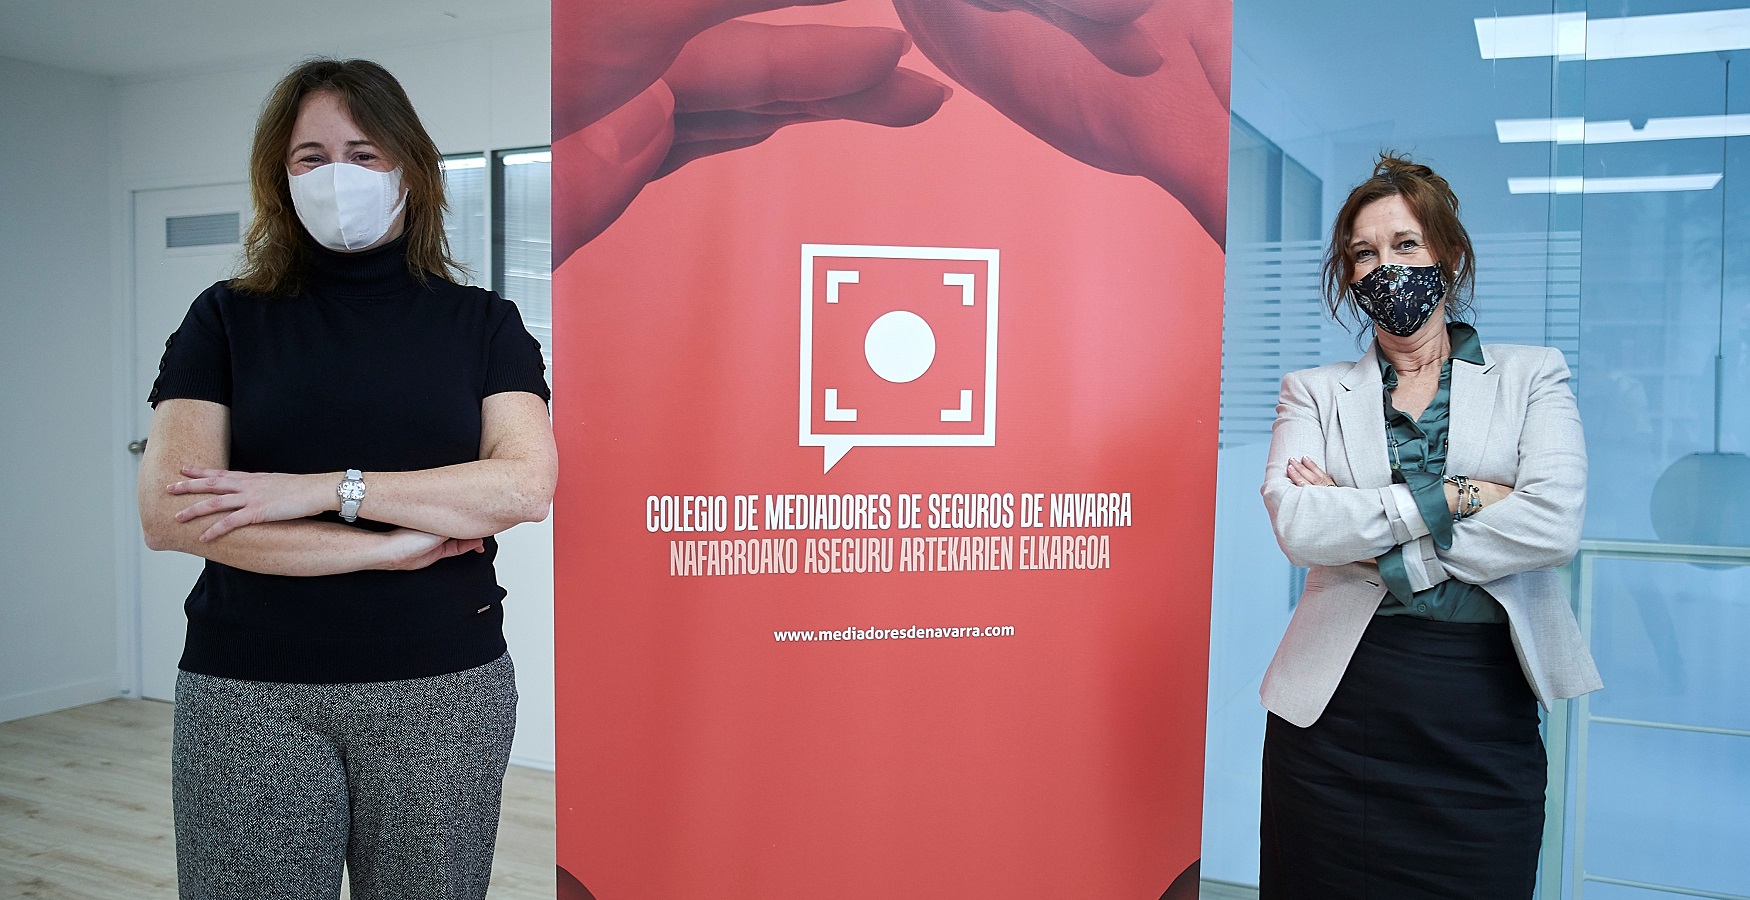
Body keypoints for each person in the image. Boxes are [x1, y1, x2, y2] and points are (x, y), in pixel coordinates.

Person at [136, 58, 557, 900]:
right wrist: (382, 548)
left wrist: (323, 489)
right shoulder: (224, 319)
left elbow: (522, 487)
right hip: (249, 692)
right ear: (280, 178)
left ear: (411, 169)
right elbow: (172, 514)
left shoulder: (483, 323)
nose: (339, 176)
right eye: (312, 158)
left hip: (443, 689)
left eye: (364, 154)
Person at [1257, 153, 1601, 899]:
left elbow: (1552, 524)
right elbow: (1300, 527)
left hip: (1481, 709)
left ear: (1447, 252)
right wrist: (1457, 495)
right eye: (1364, 253)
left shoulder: (1532, 376)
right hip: (1335, 715)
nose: (1386, 266)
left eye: (1405, 243)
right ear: (1349, 275)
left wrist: (1368, 531)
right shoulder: (1312, 392)